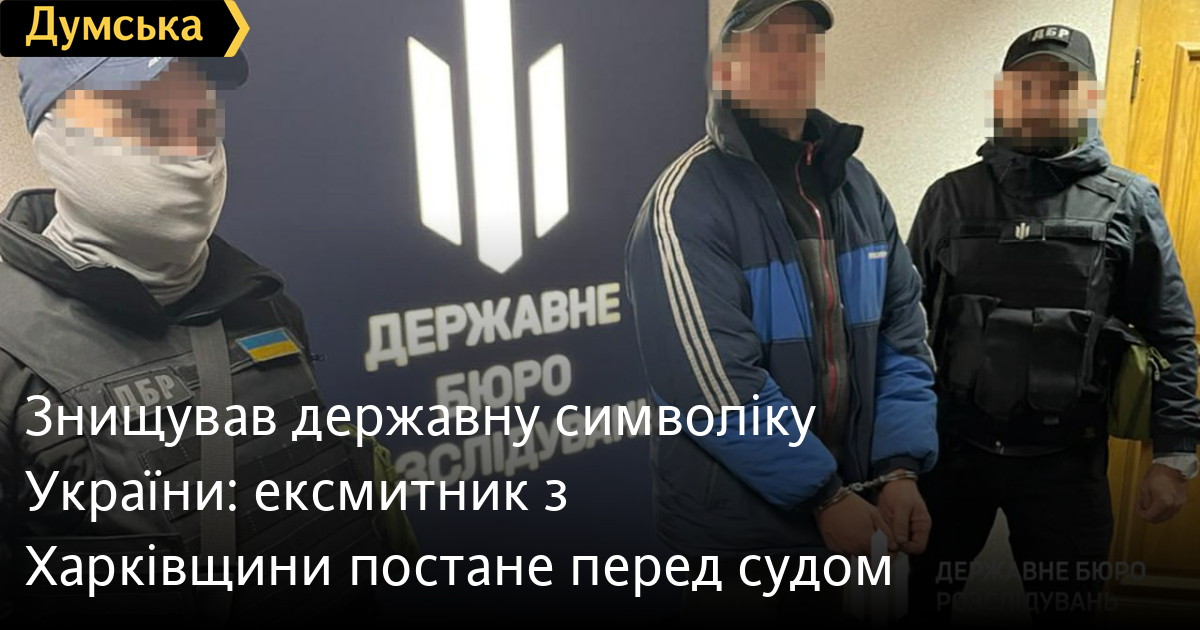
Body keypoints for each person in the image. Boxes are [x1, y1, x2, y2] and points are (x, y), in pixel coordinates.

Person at [0, 56, 417, 626]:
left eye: (197, 112)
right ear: (55, 132)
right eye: (145, 112)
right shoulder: (11, 358)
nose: (186, 141)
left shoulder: (262, 302)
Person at [624, 0, 939, 623]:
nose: (788, 61)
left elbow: (902, 340)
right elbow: (716, 388)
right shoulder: (685, 203)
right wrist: (823, 495)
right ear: (727, 68)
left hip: (850, 513)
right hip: (737, 538)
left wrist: (899, 469)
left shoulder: (857, 188)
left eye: (802, 44)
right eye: (766, 45)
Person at [906, 25, 1200, 626]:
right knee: (917, 606)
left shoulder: (1129, 201)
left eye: (1060, 86)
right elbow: (904, 331)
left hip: (1066, 462)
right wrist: (893, 460)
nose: (1040, 100)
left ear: (1086, 99)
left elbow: (1171, 334)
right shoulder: (949, 198)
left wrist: (1174, 455)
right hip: (951, 455)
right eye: (1026, 85)